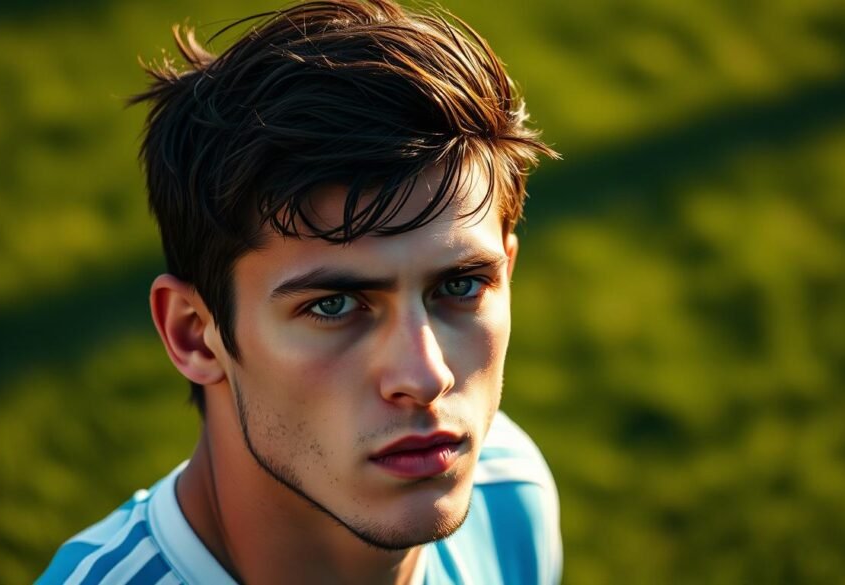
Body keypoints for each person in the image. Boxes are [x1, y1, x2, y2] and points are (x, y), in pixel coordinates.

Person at [38, 0, 561, 583]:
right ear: (195, 334)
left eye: (461, 285)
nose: (424, 376)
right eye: (333, 306)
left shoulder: (509, 494)